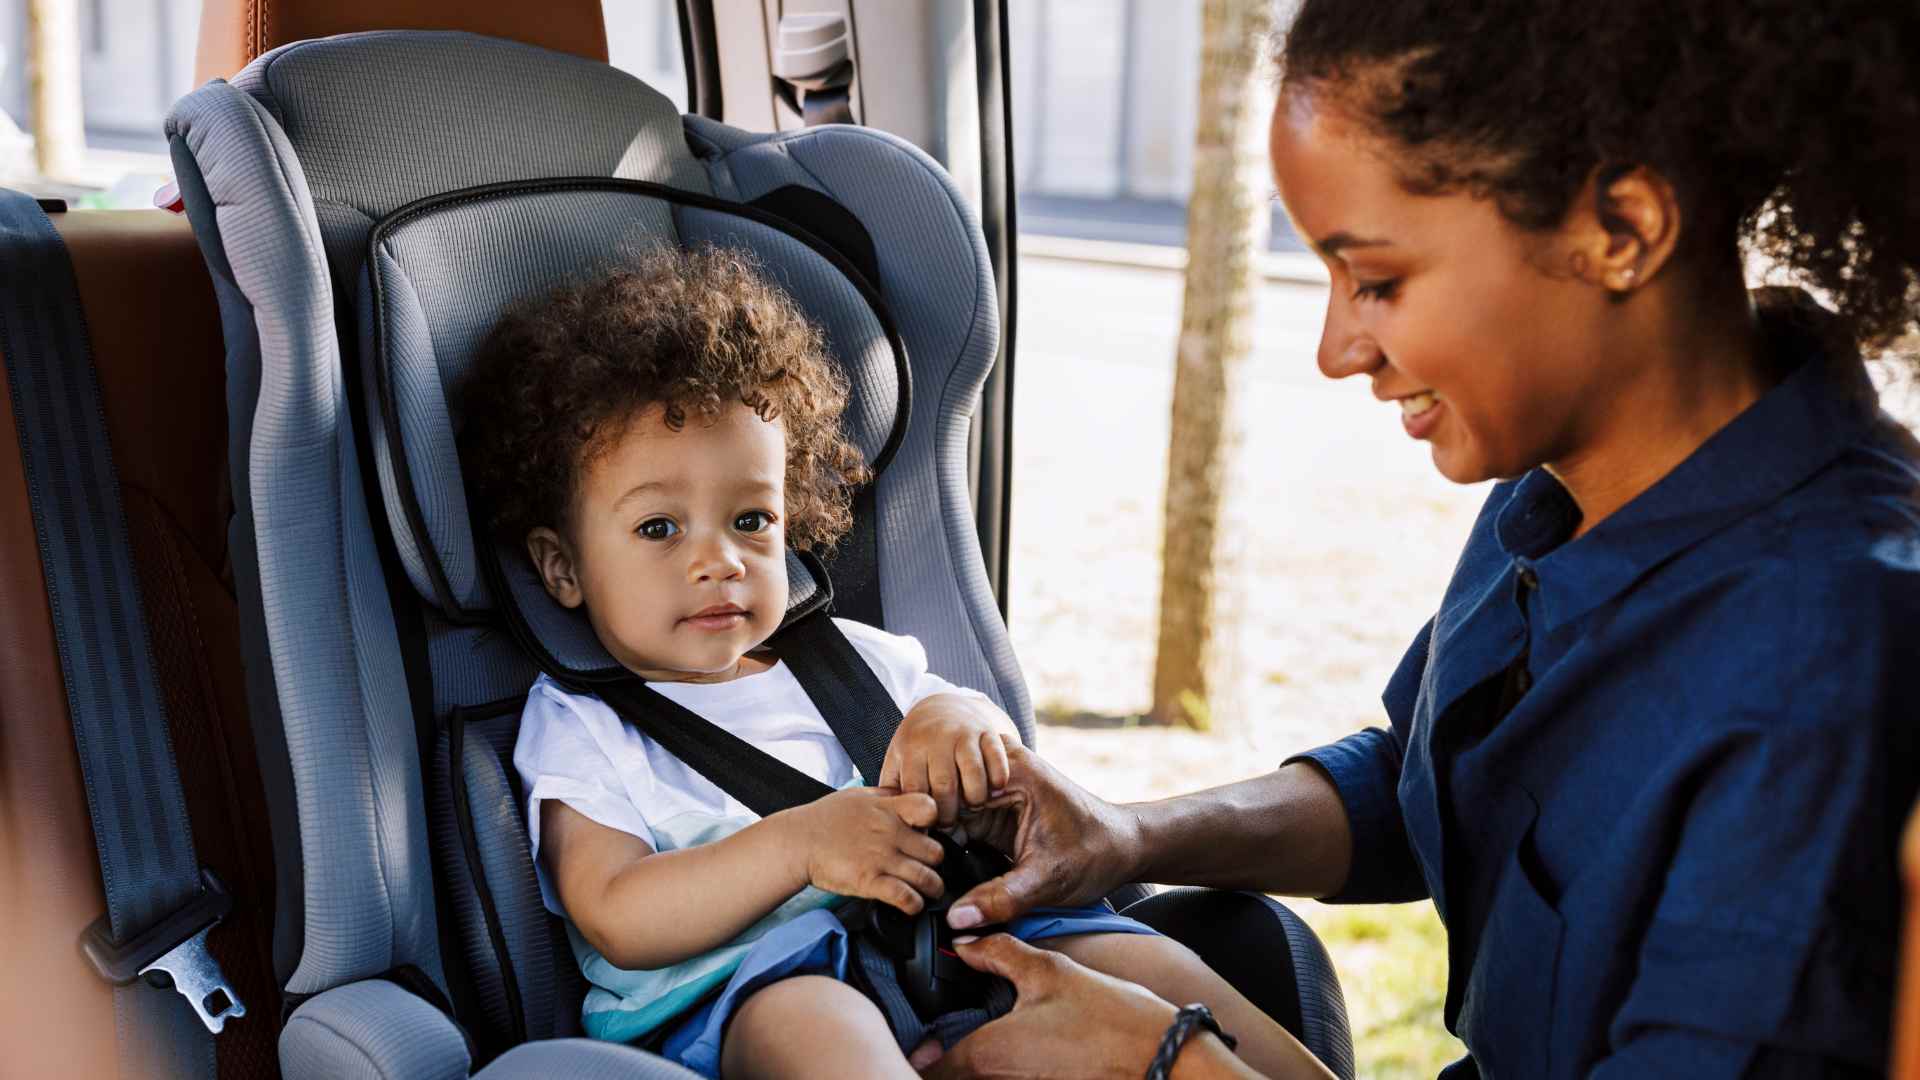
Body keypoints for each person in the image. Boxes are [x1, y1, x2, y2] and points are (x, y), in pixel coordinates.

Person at [927, 2, 1920, 1077]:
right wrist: (1129, 834)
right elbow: (1424, 783)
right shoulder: (1560, 486)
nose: (1336, 349)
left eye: (1379, 282)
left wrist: (1169, 1063)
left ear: (1621, 232)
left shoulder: (1824, 658)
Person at [455, 246, 1331, 1079]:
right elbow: (615, 911)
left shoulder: (857, 663)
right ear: (562, 567)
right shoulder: (584, 725)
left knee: (1145, 963)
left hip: (951, 932)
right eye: (659, 529)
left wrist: (961, 725)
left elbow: (977, 731)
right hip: (748, 981)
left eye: (752, 520)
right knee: (813, 1023)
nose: (718, 559)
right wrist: (800, 845)